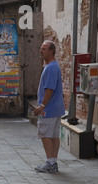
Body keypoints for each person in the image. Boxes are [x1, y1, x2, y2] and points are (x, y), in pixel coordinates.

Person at [34, 40, 65, 173]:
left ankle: (50, 163)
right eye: (41, 48)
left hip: (49, 109)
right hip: (56, 108)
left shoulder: (51, 68)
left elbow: (49, 89)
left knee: (45, 134)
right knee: (53, 136)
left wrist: (42, 105)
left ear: (51, 51)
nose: (41, 51)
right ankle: (53, 162)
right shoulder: (53, 66)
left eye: (44, 49)